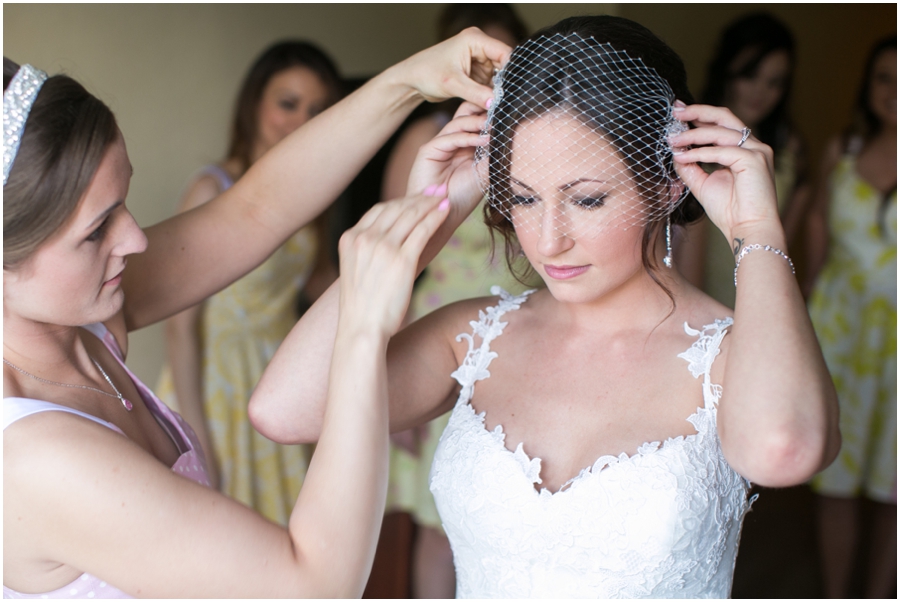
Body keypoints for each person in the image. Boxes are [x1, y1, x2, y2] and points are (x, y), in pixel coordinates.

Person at [250, 15, 841, 597]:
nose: (548, 238)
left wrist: (758, 233)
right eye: (524, 198)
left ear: (667, 183)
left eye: (586, 199)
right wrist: (429, 220)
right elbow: (286, 410)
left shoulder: (731, 353)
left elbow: (783, 450)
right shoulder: (473, 335)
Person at [2, 29, 511, 598]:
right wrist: (365, 327)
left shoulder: (78, 321)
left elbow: (255, 208)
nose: (136, 241)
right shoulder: (35, 458)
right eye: (96, 231)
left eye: (123, 203)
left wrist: (409, 83)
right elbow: (313, 585)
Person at [155, 41, 341, 523]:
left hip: (282, 374)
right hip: (217, 382)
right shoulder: (212, 188)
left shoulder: (311, 195)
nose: (301, 120)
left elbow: (320, 281)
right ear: (254, 104)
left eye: (316, 108)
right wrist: (195, 435)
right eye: (287, 103)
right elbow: (179, 326)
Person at [379, 5, 530, 597]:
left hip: (523, 339)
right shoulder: (426, 140)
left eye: (506, 60)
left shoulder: (539, 138)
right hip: (441, 341)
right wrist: (388, 381)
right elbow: (395, 265)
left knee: (516, 515)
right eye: (479, 62)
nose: (493, 77)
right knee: (442, 527)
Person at [803, 34, 896, 599]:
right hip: (840, 330)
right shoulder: (843, 147)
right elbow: (816, 222)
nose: (894, 92)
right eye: (884, 78)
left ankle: (883, 592)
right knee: (833, 479)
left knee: (896, 488)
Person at [677, 13, 809, 309]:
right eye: (750, 75)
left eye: (774, 82)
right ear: (727, 70)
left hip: (762, 291)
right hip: (702, 300)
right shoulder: (693, 144)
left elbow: (781, 243)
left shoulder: (790, 149)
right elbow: (687, 260)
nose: (761, 92)